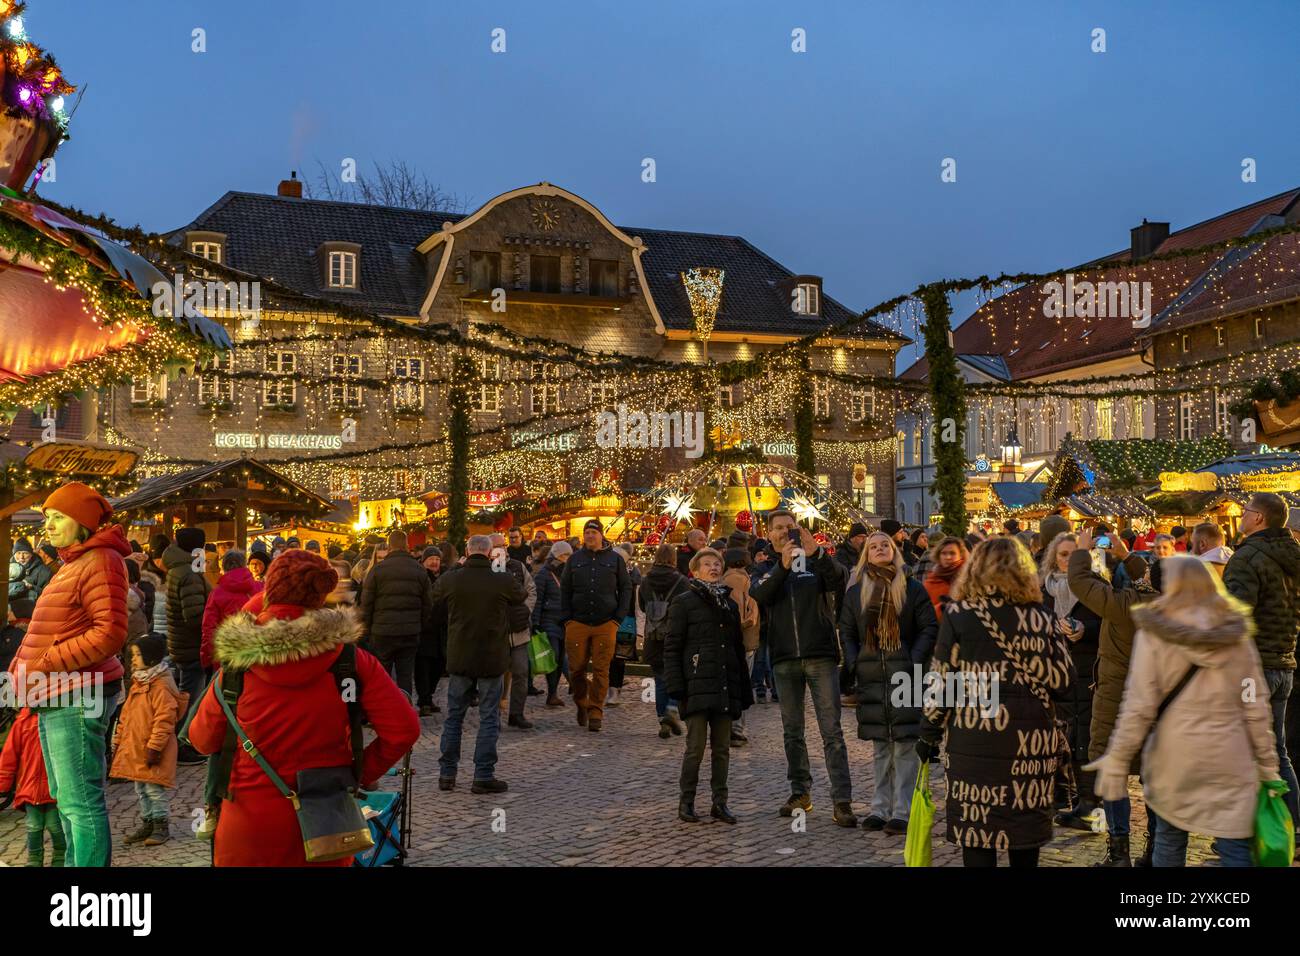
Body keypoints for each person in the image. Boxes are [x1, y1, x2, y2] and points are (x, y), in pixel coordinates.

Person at [188, 549, 420, 866]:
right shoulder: (351, 661)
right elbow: (404, 729)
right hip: (324, 827)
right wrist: (358, 773)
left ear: (269, 588)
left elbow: (201, 740)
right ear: (321, 596)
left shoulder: (235, 668)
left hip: (247, 827)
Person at [1086, 556, 1280, 867]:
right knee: (1235, 847)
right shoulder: (1236, 635)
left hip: (1176, 756)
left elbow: (1138, 706)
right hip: (1230, 757)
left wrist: (1118, 757)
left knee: (1170, 838)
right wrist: (1268, 766)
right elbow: (1254, 705)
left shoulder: (1156, 635)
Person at [917, 537, 1075, 867]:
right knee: (1024, 832)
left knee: (977, 830)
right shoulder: (1042, 618)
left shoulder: (959, 615)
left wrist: (927, 732)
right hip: (1030, 743)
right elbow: (1064, 682)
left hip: (975, 735)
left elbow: (941, 681)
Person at [8, 481, 130, 867]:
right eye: (47, 517)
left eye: (59, 517)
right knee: (67, 797)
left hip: (76, 694)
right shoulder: (74, 562)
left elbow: (109, 632)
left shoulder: (100, 561)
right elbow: (54, 627)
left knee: (80, 801)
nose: (49, 524)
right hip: (54, 693)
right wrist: (20, 668)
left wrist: (45, 663)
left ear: (83, 522)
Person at [750, 509, 855, 827]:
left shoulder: (815, 561)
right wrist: (782, 565)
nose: (784, 532)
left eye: (790, 527)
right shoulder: (765, 567)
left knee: (831, 731)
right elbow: (761, 594)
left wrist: (817, 552)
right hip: (783, 658)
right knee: (792, 732)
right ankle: (800, 792)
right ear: (769, 535)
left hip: (820, 654)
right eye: (778, 528)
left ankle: (842, 800)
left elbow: (839, 579)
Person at [1068, 531, 1159, 866]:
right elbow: (1149, 580)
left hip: (1117, 701)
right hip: (1156, 703)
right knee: (1154, 777)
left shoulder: (1125, 606)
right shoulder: (1169, 605)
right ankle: (1155, 851)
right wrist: (1126, 554)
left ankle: (1119, 852)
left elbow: (1080, 582)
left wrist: (1081, 551)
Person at [841, 532, 937, 834]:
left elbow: (928, 627)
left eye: (886, 545)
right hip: (871, 676)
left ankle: (902, 810)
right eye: (874, 546)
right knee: (881, 745)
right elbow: (846, 630)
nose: (880, 549)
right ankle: (879, 808)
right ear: (866, 555)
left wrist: (914, 660)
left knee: (905, 745)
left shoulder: (911, 588)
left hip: (905, 674)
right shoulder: (856, 593)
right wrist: (855, 661)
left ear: (894, 551)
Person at [1222, 491, 1300, 826]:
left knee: (1244, 752)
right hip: (1284, 662)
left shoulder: (1248, 557)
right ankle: (1292, 827)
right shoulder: (1293, 555)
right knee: (1276, 751)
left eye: (1245, 510)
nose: (1240, 515)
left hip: (1253, 668)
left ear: (1259, 518)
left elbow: (1235, 617)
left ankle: (1249, 835)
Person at [665, 548, 752, 824]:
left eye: (717, 564)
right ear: (695, 570)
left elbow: (737, 649)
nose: (713, 568)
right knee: (695, 747)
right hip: (696, 684)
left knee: (722, 748)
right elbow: (672, 647)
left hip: (724, 683)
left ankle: (719, 802)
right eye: (707, 564)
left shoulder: (729, 604)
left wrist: (743, 689)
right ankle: (687, 801)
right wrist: (677, 687)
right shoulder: (684, 602)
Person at [433, 535, 526, 792]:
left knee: (454, 716)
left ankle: (447, 774)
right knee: (488, 717)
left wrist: (455, 567)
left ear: (467, 551)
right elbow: (521, 594)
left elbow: (435, 593)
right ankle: (483, 775)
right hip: (491, 656)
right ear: (489, 553)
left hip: (460, 654)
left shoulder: (453, 578)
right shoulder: (501, 578)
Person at [1039, 532, 1103, 830]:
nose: (1066, 560)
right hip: (1053, 672)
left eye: (1072, 554)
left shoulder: (1095, 587)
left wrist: (1084, 630)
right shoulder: (1044, 590)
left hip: (1085, 671)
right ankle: (1067, 798)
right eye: (1062, 555)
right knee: (1058, 738)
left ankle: (1089, 803)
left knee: (1083, 738)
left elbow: (1109, 624)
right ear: (1053, 558)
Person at [110, 633, 189, 848]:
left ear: (152, 659)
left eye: (137, 655)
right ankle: (147, 822)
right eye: (132, 655)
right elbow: (125, 717)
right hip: (137, 748)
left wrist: (154, 748)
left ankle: (160, 825)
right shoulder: (139, 682)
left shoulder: (160, 686)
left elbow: (165, 721)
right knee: (141, 789)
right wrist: (117, 742)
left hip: (152, 750)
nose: (133, 659)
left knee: (154, 790)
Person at [560, 519, 631, 733]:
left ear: (601, 535)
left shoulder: (615, 560)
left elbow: (626, 588)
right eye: (587, 532)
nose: (590, 536)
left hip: (605, 623)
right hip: (578, 622)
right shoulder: (574, 560)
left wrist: (618, 618)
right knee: (576, 669)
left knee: (602, 669)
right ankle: (582, 701)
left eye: (593, 532)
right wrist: (567, 618)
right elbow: (565, 590)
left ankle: (596, 711)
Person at [359, 530, 435, 705]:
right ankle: (404, 709)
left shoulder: (377, 570)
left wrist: (368, 630)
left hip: (382, 631)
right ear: (406, 544)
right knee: (405, 674)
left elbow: (366, 604)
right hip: (410, 632)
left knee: (382, 675)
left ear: (390, 545)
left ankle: (383, 712)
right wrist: (419, 625)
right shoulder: (419, 570)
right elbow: (427, 604)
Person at [163, 526, 212, 763]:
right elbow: (194, 616)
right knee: (191, 697)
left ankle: (184, 742)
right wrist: (213, 621)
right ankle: (182, 744)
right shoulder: (189, 573)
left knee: (188, 692)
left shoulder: (179, 568)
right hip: (191, 645)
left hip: (181, 642)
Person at [0, 707, 63, 866]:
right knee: (33, 825)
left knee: (55, 826)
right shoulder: (22, 722)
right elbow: (9, 755)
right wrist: (3, 783)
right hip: (31, 786)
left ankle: (60, 858)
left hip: (53, 787)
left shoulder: (57, 718)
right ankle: (34, 860)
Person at [490, 532, 538, 727]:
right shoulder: (485, 568)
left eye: (503, 545)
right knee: (495, 675)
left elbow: (531, 589)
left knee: (521, 672)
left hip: (518, 631)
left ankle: (516, 713)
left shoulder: (517, 566)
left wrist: (525, 610)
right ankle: (494, 714)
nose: (501, 548)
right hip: (495, 633)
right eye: (496, 546)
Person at [641, 543, 686, 738]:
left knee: (659, 679)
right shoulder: (682, 581)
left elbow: (643, 606)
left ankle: (662, 720)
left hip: (653, 635)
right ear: (673, 559)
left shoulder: (645, 581)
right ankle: (672, 709)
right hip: (674, 635)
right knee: (677, 676)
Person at [721, 547, 760, 746]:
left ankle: (731, 727)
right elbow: (739, 611)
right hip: (743, 638)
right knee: (741, 682)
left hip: (739, 638)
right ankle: (736, 728)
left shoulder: (729, 578)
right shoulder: (738, 579)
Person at [533, 540, 571, 708]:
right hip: (548, 620)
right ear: (557, 555)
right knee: (554, 655)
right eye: (565, 555)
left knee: (561, 654)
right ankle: (552, 692)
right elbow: (537, 600)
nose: (568, 558)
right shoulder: (544, 574)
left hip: (564, 621)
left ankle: (553, 693)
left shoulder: (567, 573)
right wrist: (535, 623)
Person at [415, 544, 449, 717]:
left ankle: (428, 698)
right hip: (424, 629)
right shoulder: (421, 577)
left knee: (438, 665)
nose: (434, 562)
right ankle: (424, 700)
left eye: (437, 559)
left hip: (440, 629)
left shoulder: (443, 576)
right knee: (423, 666)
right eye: (431, 559)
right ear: (424, 561)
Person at [922, 536, 967, 619]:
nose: (948, 557)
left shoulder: (968, 579)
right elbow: (924, 613)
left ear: (961, 555)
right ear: (938, 555)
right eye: (944, 553)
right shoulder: (931, 580)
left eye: (952, 553)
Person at [8, 537, 52, 603]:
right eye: (18, 553)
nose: (21, 557)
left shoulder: (44, 571)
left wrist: (31, 587)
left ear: (31, 554)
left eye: (25, 553)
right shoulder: (7, 568)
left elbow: (50, 595)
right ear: (13, 554)